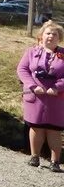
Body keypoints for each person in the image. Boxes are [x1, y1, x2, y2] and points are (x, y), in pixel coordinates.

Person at [17, 21, 64, 172]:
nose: (51, 36)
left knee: (54, 129)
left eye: (54, 34)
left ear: (59, 38)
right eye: (48, 33)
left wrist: (57, 87)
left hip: (56, 98)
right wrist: (32, 85)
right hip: (35, 97)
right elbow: (22, 70)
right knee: (36, 127)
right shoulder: (31, 52)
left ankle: (55, 161)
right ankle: (34, 156)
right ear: (41, 36)